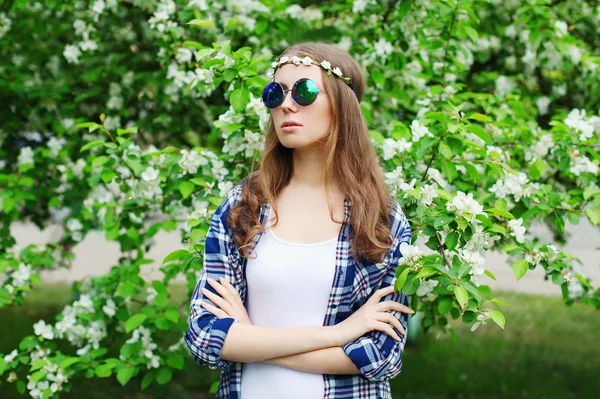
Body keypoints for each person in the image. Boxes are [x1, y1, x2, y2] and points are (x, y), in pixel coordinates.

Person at [183, 41, 414, 399]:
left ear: (341, 104)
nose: (287, 104)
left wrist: (251, 337)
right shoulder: (244, 205)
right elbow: (204, 335)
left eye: (304, 91)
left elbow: (380, 355)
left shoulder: (381, 219)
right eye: (275, 93)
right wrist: (339, 334)